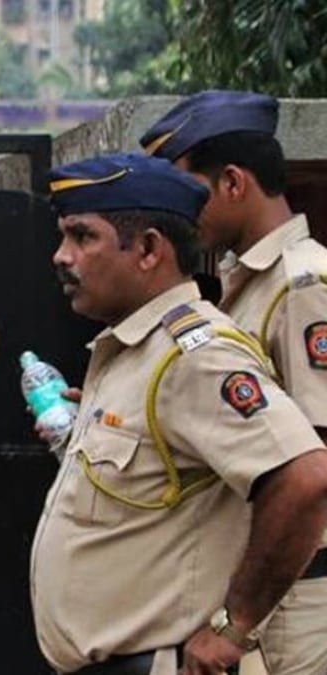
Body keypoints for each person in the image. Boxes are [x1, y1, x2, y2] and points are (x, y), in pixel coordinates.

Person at [33, 152, 327, 675]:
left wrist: (234, 627)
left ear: (148, 249)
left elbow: (305, 478)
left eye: (82, 237)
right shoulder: (131, 352)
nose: (60, 256)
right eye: (61, 237)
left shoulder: (197, 354)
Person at [141, 90, 327, 675]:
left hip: (298, 591)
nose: (176, 212)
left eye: (186, 193)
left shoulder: (304, 286)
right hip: (265, 584)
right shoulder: (244, 284)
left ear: (232, 183)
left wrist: (238, 620)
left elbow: (316, 464)